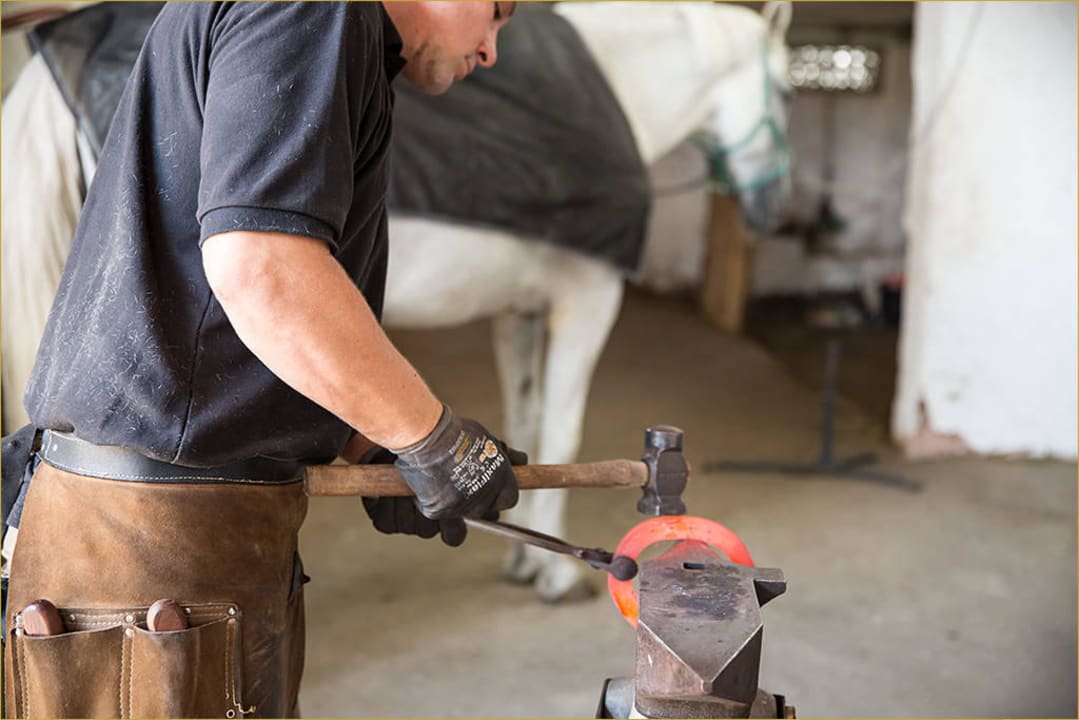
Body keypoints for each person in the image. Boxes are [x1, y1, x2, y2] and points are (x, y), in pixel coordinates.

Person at [2, 2, 520, 717]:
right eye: (495, 12)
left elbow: (210, 320)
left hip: (177, 536)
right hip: (156, 549)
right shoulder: (315, 8)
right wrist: (429, 439)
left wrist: (373, 445)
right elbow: (261, 269)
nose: (491, 49)